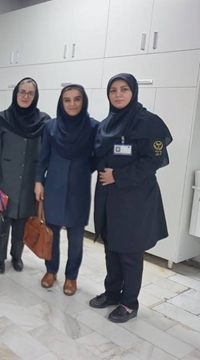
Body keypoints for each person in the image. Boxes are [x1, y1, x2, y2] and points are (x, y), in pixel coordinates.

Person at [89, 73, 172, 323]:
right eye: (113, 90)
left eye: (124, 89)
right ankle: (112, 293)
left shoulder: (149, 123)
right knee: (111, 248)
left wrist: (118, 176)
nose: (118, 95)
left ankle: (129, 303)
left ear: (133, 92)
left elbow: (154, 160)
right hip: (108, 197)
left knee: (130, 252)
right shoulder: (106, 124)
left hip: (135, 199)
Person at [34, 84, 99, 295]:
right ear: (61, 103)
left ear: (83, 101)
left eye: (76, 99)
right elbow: (43, 157)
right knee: (51, 234)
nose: (72, 104)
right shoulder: (50, 127)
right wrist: (38, 181)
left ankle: (71, 277)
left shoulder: (93, 127)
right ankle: (51, 271)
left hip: (79, 189)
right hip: (54, 186)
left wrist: (82, 170)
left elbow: (97, 158)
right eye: (67, 100)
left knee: (76, 238)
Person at [0, 78, 49, 274]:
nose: (25, 96)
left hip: (29, 181)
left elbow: (44, 154)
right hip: (5, 180)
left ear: (35, 96)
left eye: (30, 93)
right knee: (2, 222)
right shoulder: (2, 119)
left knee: (22, 223)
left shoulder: (43, 122)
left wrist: (40, 180)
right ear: (16, 93)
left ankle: (17, 256)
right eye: (22, 92)